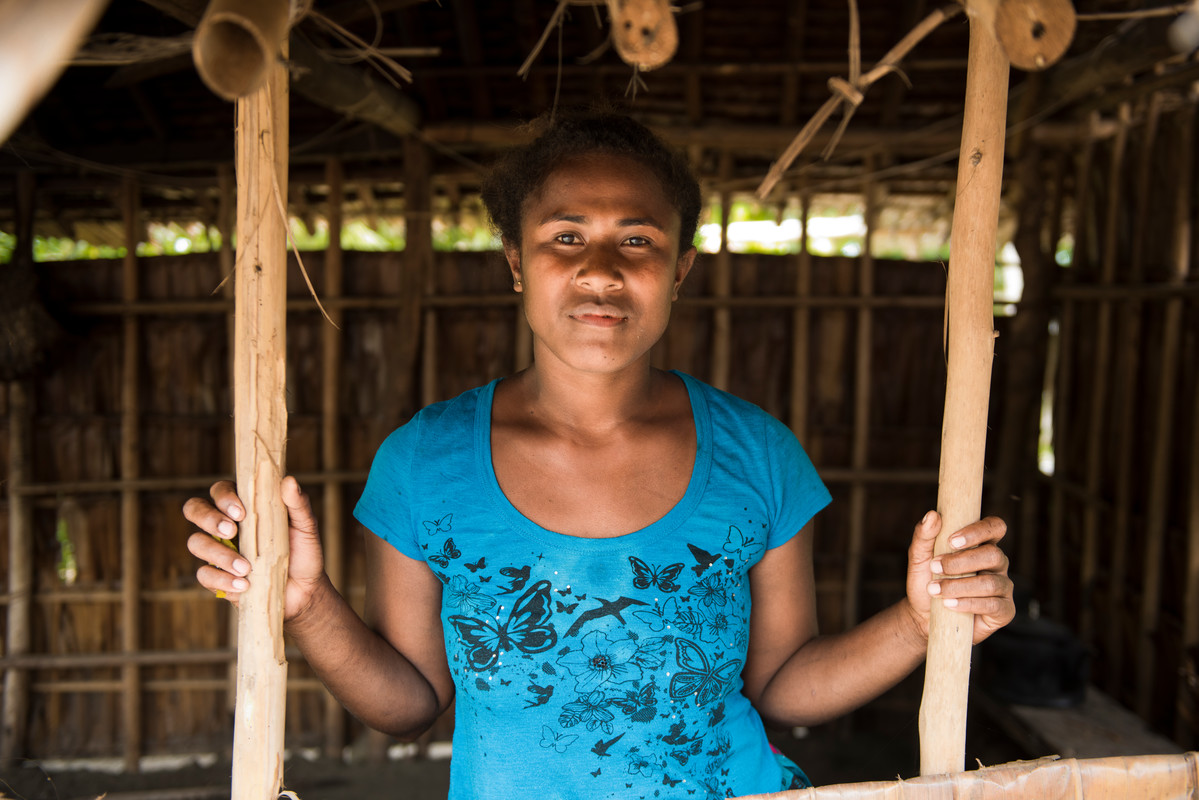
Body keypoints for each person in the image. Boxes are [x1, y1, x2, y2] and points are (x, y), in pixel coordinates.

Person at [185, 111, 1014, 799]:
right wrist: (308, 606)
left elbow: (783, 684)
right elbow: (410, 704)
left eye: (638, 241)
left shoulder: (755, 452)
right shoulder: (422, 464)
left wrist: (917, 622)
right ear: (517, 261)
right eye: (566, 236)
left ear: (681, 268)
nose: (601, 272)